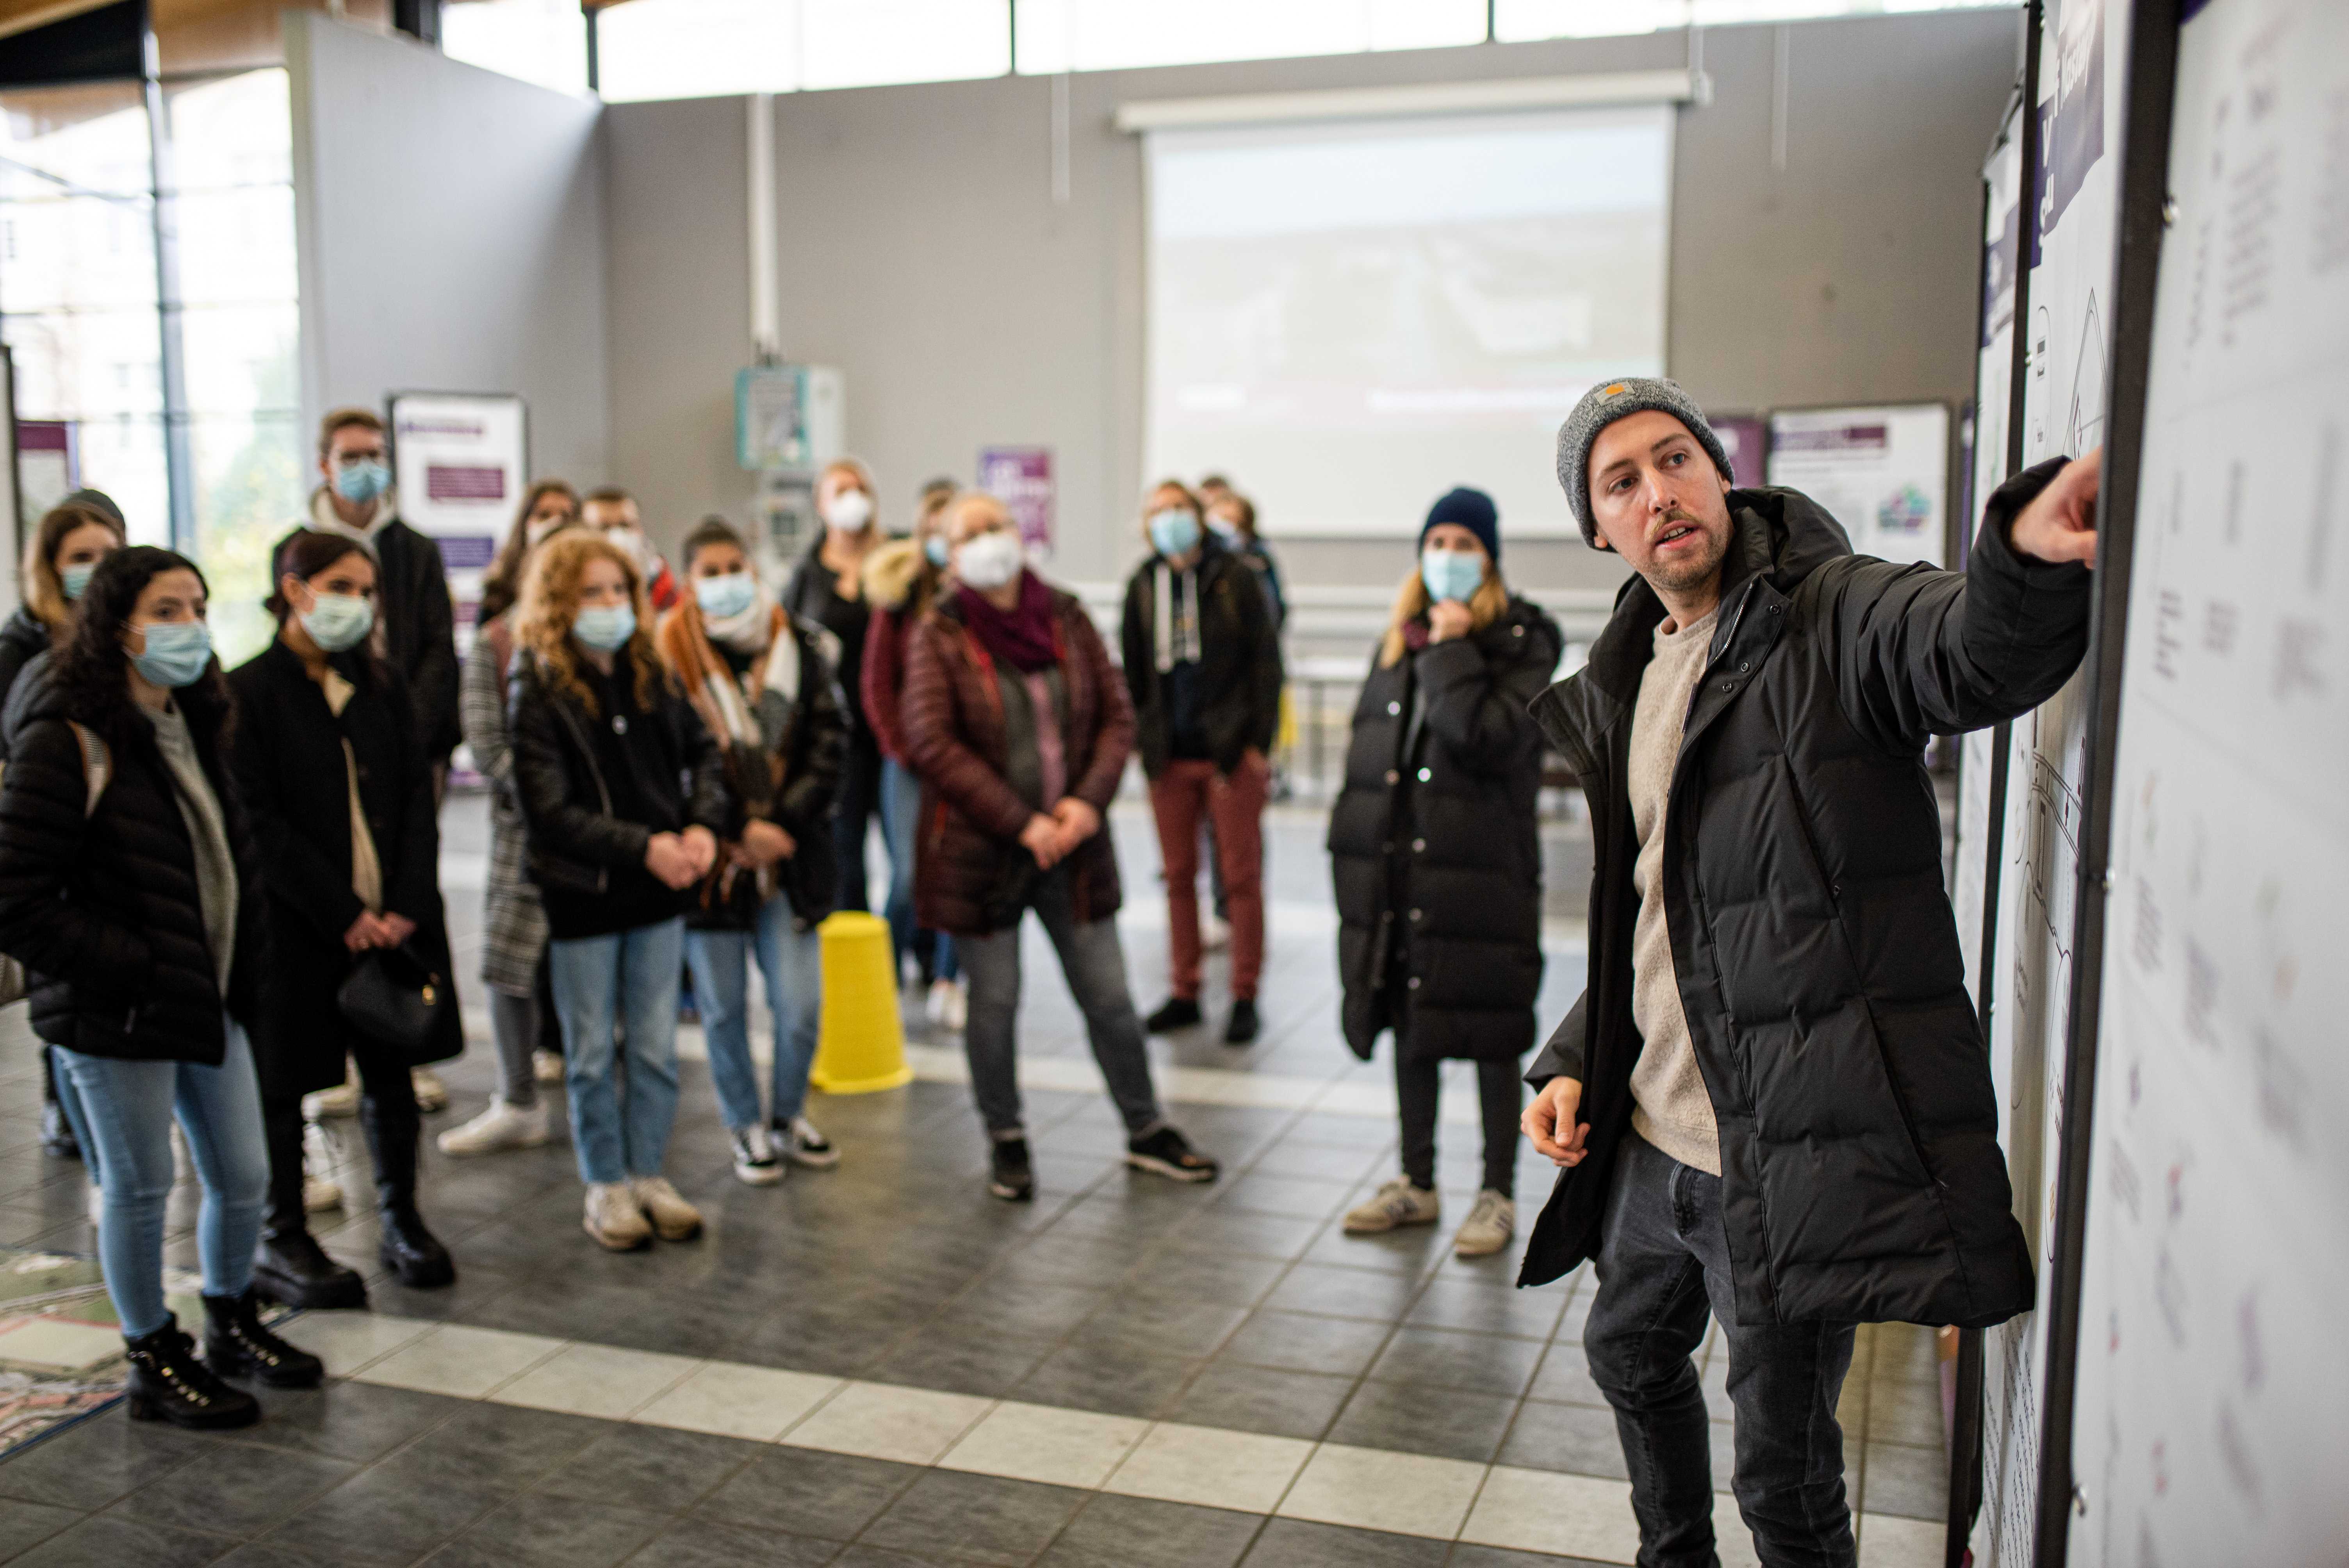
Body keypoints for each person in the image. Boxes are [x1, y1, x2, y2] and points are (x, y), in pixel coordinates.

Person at [1518, 379, 2099, 1566]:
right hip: (1645, 1143)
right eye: (1619, 482)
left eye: (1673, 458)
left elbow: (1962, 649)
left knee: (1781, 1480)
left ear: (1717, 472)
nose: (1657, 492)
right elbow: (1654, 911)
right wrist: (1576, 1056)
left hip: (1773, 1162)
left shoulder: (1830, 615)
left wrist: (2025, 560)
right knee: (1625, 1355)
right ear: (1599, 532)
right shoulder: (1623, 679)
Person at [0, 547, 319, 1428]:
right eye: (167, 610)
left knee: (244, 1176)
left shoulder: (195, 714)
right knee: (140, 1187)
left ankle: (229, 1318)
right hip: (118, 1008)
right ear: (115, 624)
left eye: (198, 608)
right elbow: (15, 899)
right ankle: (152, 1355)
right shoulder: (67, 734)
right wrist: (130, 965)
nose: (190, 627)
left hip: (205, 994)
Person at [902, 493, 1219, 1202]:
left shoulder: (1067, 615)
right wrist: (1023, 822)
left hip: (1075, 848)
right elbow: (932, 741)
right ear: (949, 556)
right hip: (988, 854)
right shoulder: (940, 632)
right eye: (971, 533)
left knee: (1108, 995)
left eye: (998, 526)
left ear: (1021, 535)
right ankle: (1005, 1138)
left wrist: (1083, 805)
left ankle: (1146, 1128)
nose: (990, 541)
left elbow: (1115, 715)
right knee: (996, 1001)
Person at [227, 531, 461, 1305]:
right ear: (292, 589)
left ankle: (401, 1215)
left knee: (391, 1073)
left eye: (367, 590)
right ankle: (284, 1231)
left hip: (391, 920)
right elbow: (258, 822)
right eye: (340, 586)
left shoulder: (383, 685)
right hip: (300, 925)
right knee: (285, 1079)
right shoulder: (250, 692)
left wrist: (402, 906)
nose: (357, 604)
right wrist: (343, 911)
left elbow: (415, 802)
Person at [1331, 488, 1559, 1260]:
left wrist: (1452, 647)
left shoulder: (1524, 638)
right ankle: (1415, 1181)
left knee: (1491, 1031)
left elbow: (1485, 735)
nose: (1448, 556)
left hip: (1483, 874)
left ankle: (1496, 1192)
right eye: (1438, 540)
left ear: (1489, 555)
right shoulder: (1401, 640)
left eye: (1465, 542)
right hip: (1407, 875)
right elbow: (1372, 760)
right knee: (1412, 1025)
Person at [509, 529, 725, 1250]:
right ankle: (605, 1184)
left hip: (661, 893)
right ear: (559, 602)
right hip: (588, 897)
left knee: (658, 1047)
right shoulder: (537, 687)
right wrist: (647, 848)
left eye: (618, 590)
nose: (608, 604)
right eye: (591, 592)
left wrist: (702, 827)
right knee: (593, 1051)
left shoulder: (651, 670)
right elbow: (550, 811)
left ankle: (648, 1172)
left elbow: (704, 756)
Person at [655, 519, 845, 1183]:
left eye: (735, 566)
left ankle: (787, 1114)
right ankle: (744, 1125)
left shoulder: (797, 644)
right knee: (723, 1007)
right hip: (712, 864)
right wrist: (732, 830)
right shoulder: (665, 657)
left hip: (788, 858)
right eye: (710, 571)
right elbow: (670, 766)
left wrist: (780, 825)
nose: (726, 581)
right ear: (687, 583)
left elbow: (830, 742)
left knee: (798, 1009)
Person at [438, 483, 584, 1157]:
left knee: (590, 973)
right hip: (524, 834)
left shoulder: (600, 648)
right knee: (508, 964)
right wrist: (545, 801)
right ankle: (517, 1097)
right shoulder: (494, 643)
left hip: (591, 836)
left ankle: (594, 1101)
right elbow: (488, 743)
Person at [1119, 481, 1282, 1045]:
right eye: (1157, 512)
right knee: (1178, 878)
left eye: (1178, 509)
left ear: (1197, 514)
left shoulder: (1233, 576)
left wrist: (1257, 744)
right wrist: (1146, 743)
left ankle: (1244, 992)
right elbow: (1135, 673)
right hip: (1171, 756)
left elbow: (1266, 662)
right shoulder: (1143, 584)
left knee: (1240, 878)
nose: (1169, 521)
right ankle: (1184, 989)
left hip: (1230, 755)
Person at [2, 496, 126, 1162]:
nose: (97, 570)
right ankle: (64, 1106)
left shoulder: (128, 641)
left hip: (119, 845)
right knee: (63, 980)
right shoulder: (19, 650)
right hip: (52, 841)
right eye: (82, 558)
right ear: (50, 568)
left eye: (110, 555)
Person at [297, 408, 461, 778]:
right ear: (325, 466)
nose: (365, 466)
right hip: (326, 732)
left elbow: (439, 645)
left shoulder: (418, 550)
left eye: (374, 455)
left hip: (415, 732)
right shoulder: (295, 550)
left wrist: (409, 725)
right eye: (351, 457)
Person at [863, 479, 964, 1028]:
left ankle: (949, 978)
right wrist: (900, 747)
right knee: (905, 877)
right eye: (935, 530)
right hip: (906, 761)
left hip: (963, 764)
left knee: (956, 873)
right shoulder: (899, 598)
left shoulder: (976, 599)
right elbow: (877, 683)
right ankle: (883, 971)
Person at [782, 458, 885, 914]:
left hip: (898, 732)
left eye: (860, 487)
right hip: (841, 735)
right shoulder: (807, 575)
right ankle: (858, 950)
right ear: (821, 505)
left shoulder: (895, 558)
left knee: (911, 858)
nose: (853, 498)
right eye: (841, 490)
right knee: (847, 849)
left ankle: (918, 950)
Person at [478, 479, 583, 625]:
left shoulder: (591, 580)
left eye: (565, 516)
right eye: (544, 515)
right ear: (525, 524)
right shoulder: (499, 587)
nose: (556, 523)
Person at [585, 486, 679, 613]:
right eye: (604, 528)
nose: (617, 534)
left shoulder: (664, 586)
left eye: (625, 525)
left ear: (640, 529)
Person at [1206, 490, 1285, 632]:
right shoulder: (1202, 561)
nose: (1227, 526)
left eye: (1234, 521)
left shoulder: (1258, 561)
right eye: (1222, 518)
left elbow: (1273, 610)